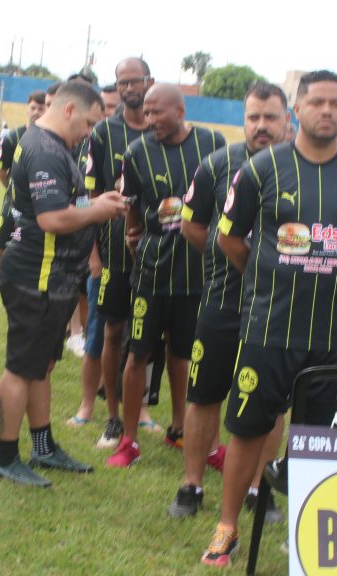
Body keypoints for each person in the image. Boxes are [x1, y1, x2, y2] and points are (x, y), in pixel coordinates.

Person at [201, 70, 337, 566]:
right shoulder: (261, 169)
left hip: (331, 334)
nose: (327, 110)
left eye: (336, 103)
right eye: (317, 102)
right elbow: (228, 238)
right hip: (268, 329)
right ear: (297, 110)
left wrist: (325, 270)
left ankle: (307, 532)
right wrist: (269, 276)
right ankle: (226, 527)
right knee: (247, 429)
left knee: (318, 438)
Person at [0, 80, 127, 486]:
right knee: (21, 368)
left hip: (54, 277)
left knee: (41, 366)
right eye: (88, 123)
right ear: (69, 111)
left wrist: (96, 202)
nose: (89, 133)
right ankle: (5, 456)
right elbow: (51, 218)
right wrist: (95, 211)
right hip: (37, 276)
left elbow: (63, 203)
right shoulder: (46, 150)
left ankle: (43, 446)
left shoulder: (52, 145)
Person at [170, 82, 290, 518]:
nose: (261, 125)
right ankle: (192, 485)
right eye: (253, 117)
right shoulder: (218, 164)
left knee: (270, 403)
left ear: (287, 119)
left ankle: (258, 490)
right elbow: (192, 226)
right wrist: (232, 260)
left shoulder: (300, 170)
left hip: (276, 310)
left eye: (270, 117)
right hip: (221, 302)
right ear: (244, 119)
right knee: (204, 395)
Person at [107, 84, 225, 468]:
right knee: (138, 354)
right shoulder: (137, 152)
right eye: (146, 112)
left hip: (197, 270)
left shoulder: (212, 144)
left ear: (180, 110)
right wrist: (133, 235)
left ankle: (181, 430)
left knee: (185, 355)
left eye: (157, 112)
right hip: (153, 269)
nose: (149, 119)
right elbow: (132, 205)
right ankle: (129, 441)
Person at [83, 57, 161, 449]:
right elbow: (91, 196)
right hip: (114, 250)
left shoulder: (165, 132)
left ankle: (141, 409)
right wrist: (94, 256)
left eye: (136, 80)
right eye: (122, 82)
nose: (129, 88)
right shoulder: (103, 133)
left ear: (150, 80)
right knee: (113, 331)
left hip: (158, 253)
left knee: (149, 335)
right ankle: (112, 417)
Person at [0, 90, 47, 312]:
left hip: (40, 209)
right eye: (33, 107)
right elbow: (0, 170)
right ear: (27, 108)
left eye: (41, 108)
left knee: (34, 256)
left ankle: (26, 300)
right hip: (13, 208)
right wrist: (16, 191)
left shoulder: (51, 139)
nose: (36, 112)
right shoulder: (12, 137)